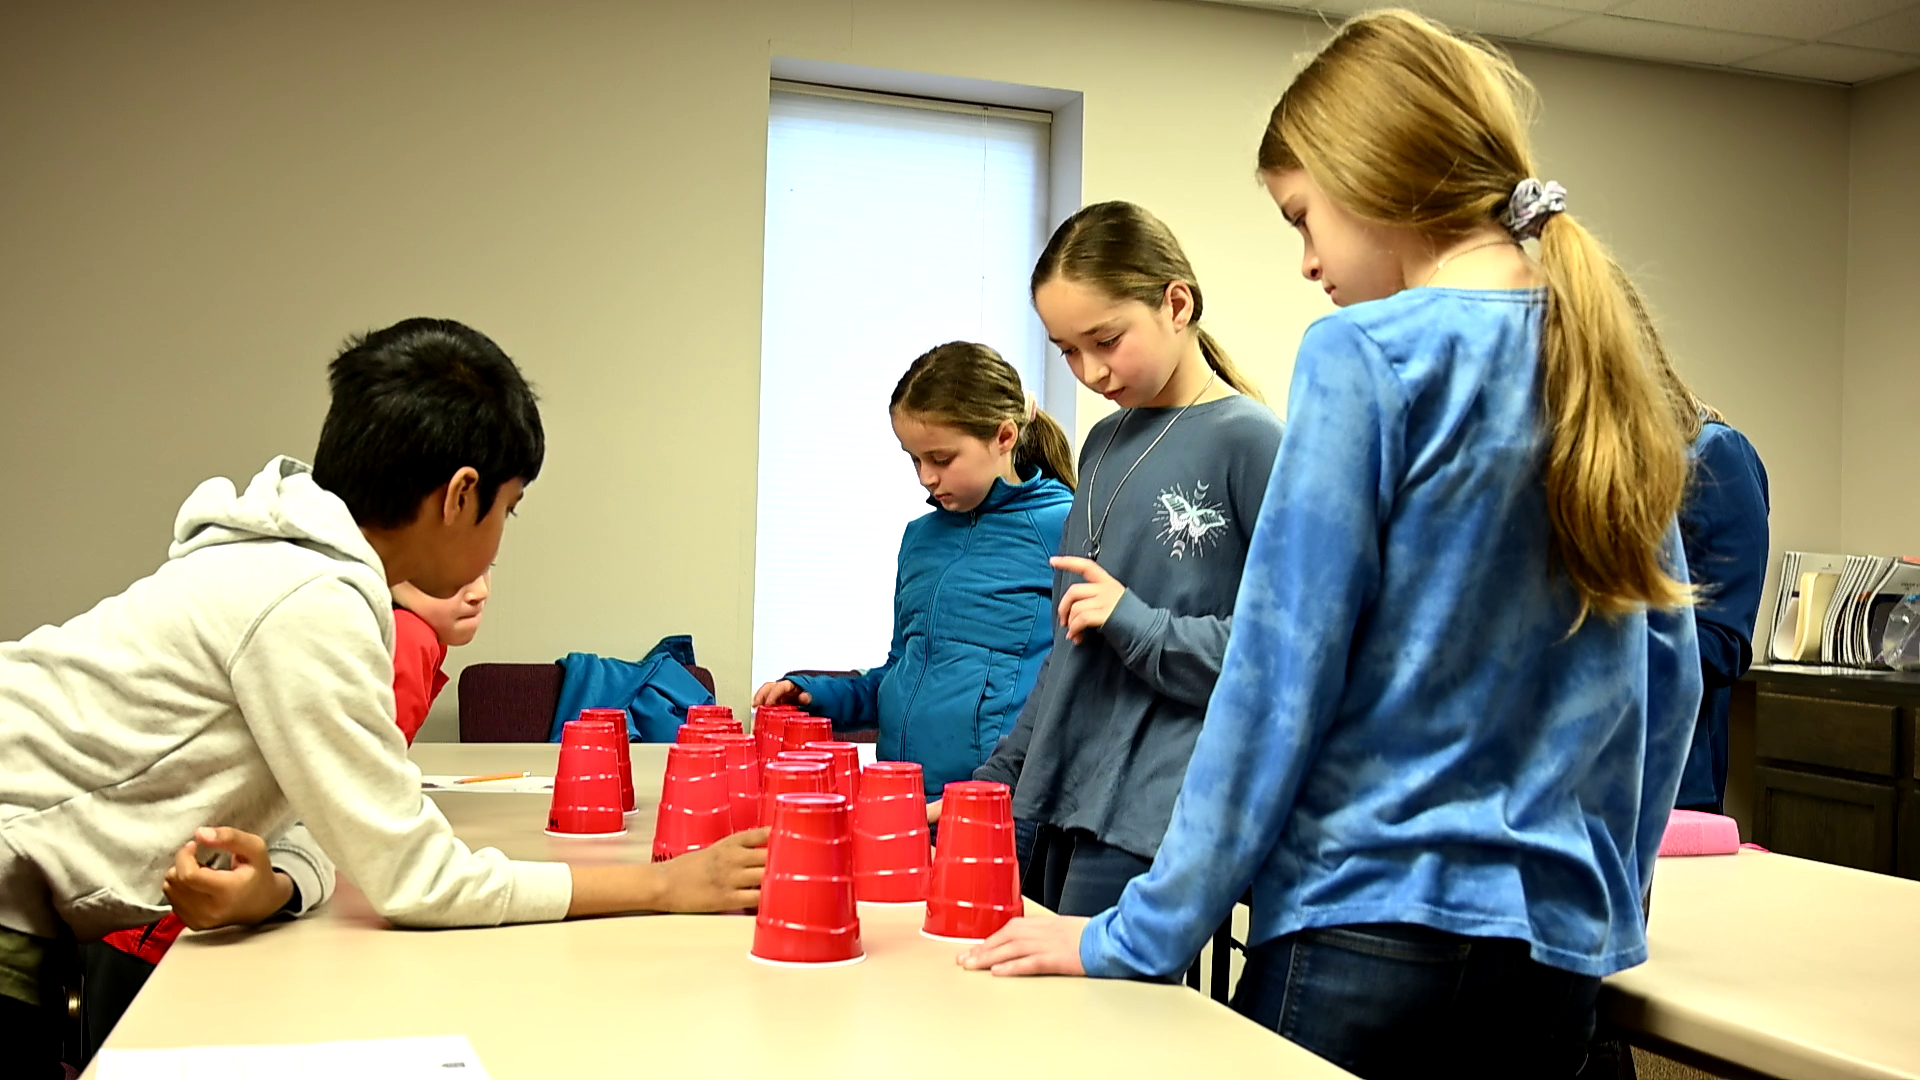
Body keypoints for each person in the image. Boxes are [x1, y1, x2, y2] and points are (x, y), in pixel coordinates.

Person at [960, 15, 1702, 1079]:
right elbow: (1662, 677)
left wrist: (1140, 931)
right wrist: (1610, 903)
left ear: (1379, 174)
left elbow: (1275, 679)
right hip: (1552, 949)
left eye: (1303, 216)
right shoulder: (1601, 349)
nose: (1307, 261)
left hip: (1366, 928)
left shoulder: (1365, 353)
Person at [0, 318, 766, 1076]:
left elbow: (322, 824)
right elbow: (418, 882)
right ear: (461, 495)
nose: (504, 533)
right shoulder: (308, 603)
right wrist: (668, 884)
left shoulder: (295, 570)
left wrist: (275, 885)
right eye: (510, 508)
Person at [962, 201, 1285, 918]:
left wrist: (1135, 621)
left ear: (1177, 303)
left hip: (1155, 809)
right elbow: (1069, 650)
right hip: (1061, 791)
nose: (1089, 370)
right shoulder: (1102, 444)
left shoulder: (1253, 442)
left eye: (1105, 340)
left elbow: (1281, 655)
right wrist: (994, 781)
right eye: (1068, 350)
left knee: (1103, 1022)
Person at [754, 342, 1074, 798]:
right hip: (902, 798)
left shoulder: (1067, 526)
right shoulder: (921, 538)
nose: (926, 477)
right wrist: (817, 696)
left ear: (1004, 437)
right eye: (914, 459)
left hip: (998, 807)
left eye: (941, 460)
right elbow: (901, 673)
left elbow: (1084, 691)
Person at [392, 571, 492, 744]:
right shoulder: (409, 635)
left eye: (487, 565)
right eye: (453, 568)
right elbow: (375, 760)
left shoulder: (431, 638)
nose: (482, 591)